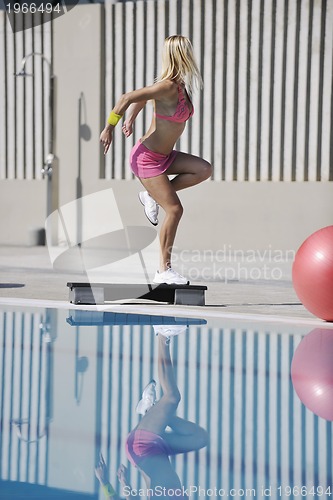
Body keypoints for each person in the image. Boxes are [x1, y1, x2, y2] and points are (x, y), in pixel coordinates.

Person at [100, 35, 212, 285]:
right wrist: (110, 126)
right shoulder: (167, 86)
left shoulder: (180, 85)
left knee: (203, 169)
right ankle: (164, 269)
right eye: (188, 51)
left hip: (165, 156)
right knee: (174, 209)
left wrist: (132, 118)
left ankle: (151, 196)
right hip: (147, 160)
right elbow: (128, 96)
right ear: (180, 55)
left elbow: (142, 99)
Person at [95, 326, 208, 499]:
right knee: (200, 438)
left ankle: (162, 334)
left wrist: (105, 482)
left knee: (172, 397)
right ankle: (150, 409)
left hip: (141, 448)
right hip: (160, 450)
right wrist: (125, 484)